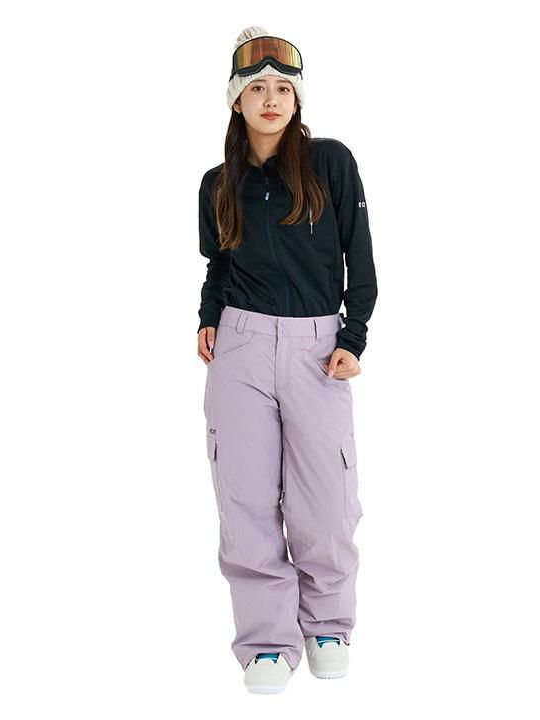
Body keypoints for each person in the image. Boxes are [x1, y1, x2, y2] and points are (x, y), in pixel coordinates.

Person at [197, 26, 378, 694]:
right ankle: (267, 642)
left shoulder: (330, 163)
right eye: (256, 89)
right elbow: (219, 265)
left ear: (297, 98)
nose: (271, 99)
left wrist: (353, 336)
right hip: (240, 347)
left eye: (282, 87)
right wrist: (208, 317)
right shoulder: (218, 183)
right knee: (244, 498)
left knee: (326, 498)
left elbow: (359, 256)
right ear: (236, 101)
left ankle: (327, 625)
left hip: (316, 347)